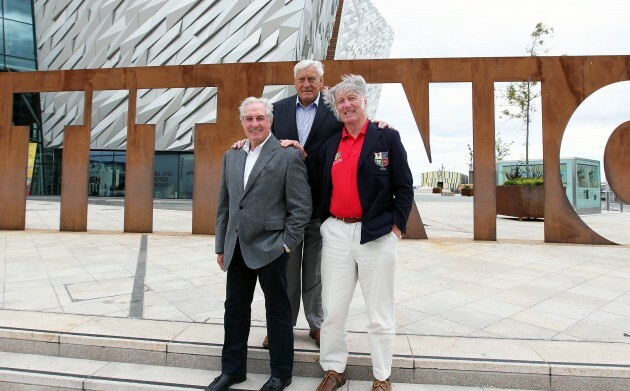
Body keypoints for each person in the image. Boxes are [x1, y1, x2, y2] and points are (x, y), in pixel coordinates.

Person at [235, 60, 389, 349]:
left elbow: (359, 127)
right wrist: (241, 145)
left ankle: (317, 324)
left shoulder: (334, 107)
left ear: (322, 81)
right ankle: (283, 325)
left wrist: (381, 125)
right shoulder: (277, 110)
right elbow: (260, 138)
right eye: (301, 79)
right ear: (295, 82)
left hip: (322, 204)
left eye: (312, 79)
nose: (306, 84)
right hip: (284, 205)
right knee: (287, 271)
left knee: (317, 271)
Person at [315, 75, 414, 391]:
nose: (346, 105)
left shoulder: (387, 138)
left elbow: (404, 186)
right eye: (340, 101)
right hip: (336, 232)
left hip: (376, 235)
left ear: (364, 100)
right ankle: (333, 370)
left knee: (379, 312)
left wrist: (395, 228)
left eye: (351, 98)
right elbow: (313, 174)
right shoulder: (332, 144)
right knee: (332, 309)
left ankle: (382, 377)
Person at [208, 97, 312, 391]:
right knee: (235, 310)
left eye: (260, 118)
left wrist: (286, 245)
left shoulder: (287, 156)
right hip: (237, 248)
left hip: (272, 249)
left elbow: (301, 208)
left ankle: (281, 374)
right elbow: (225, 205)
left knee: (278, 313)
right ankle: (232, 370)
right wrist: (221, 246)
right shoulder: (233, 155)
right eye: (249, 119)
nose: (254, 124)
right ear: (242, 122)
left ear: (270, 121)